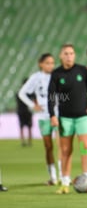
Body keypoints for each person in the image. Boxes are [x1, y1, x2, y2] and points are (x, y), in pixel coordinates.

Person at [48, 44, 87, 194]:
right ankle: (65, 183)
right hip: (65, 119)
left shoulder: (82, 71)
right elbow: (51, 96)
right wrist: (52, 115)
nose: (69, 56)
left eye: (71, 53)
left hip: (83, 117)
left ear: (74, 55)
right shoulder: (56, 74)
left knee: (85, 147)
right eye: (66, 53)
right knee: (65, 150)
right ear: (61, 56)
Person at [18, 53, 62, 185]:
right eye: (47, 63)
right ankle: (53, 177)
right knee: (48, 147)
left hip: (58, 114)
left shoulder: (58, 75)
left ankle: (64, 176)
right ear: (41, 64)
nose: (50, 65)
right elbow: (22, 93)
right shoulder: (36, 78)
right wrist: (33, 105)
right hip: (44, 116)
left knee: (61, 146)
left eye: (52, 63)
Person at [16, 78, 34, 147]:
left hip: (21, 111)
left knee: (22, 127)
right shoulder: (29, 92)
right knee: (28, 127)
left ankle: (23, 141)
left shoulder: (18, 92)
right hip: (27, 111)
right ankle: (29, 141)